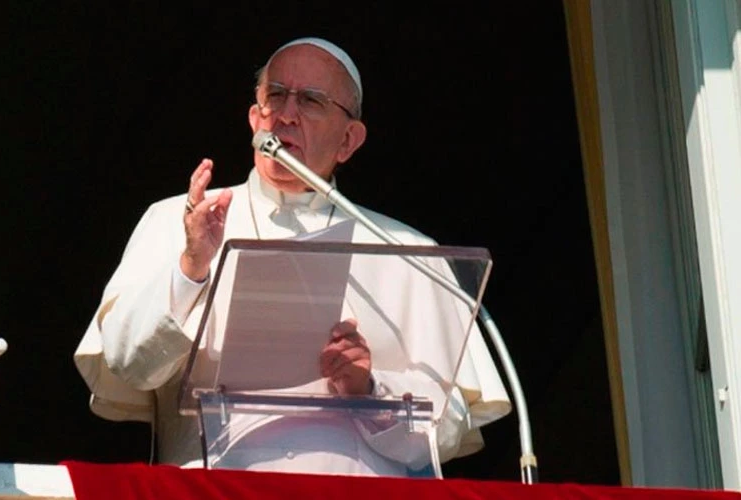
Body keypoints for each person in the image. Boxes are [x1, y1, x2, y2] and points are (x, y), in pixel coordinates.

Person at [75, 37, 511, 477]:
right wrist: (191, 267)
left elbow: (448, 428)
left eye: (310, 101)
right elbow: (129, 365)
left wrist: (369, 388)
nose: (285, 115)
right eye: (276, 96)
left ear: (348, 140)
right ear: (254, 118)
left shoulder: (406, 250)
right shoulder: (178, 220)